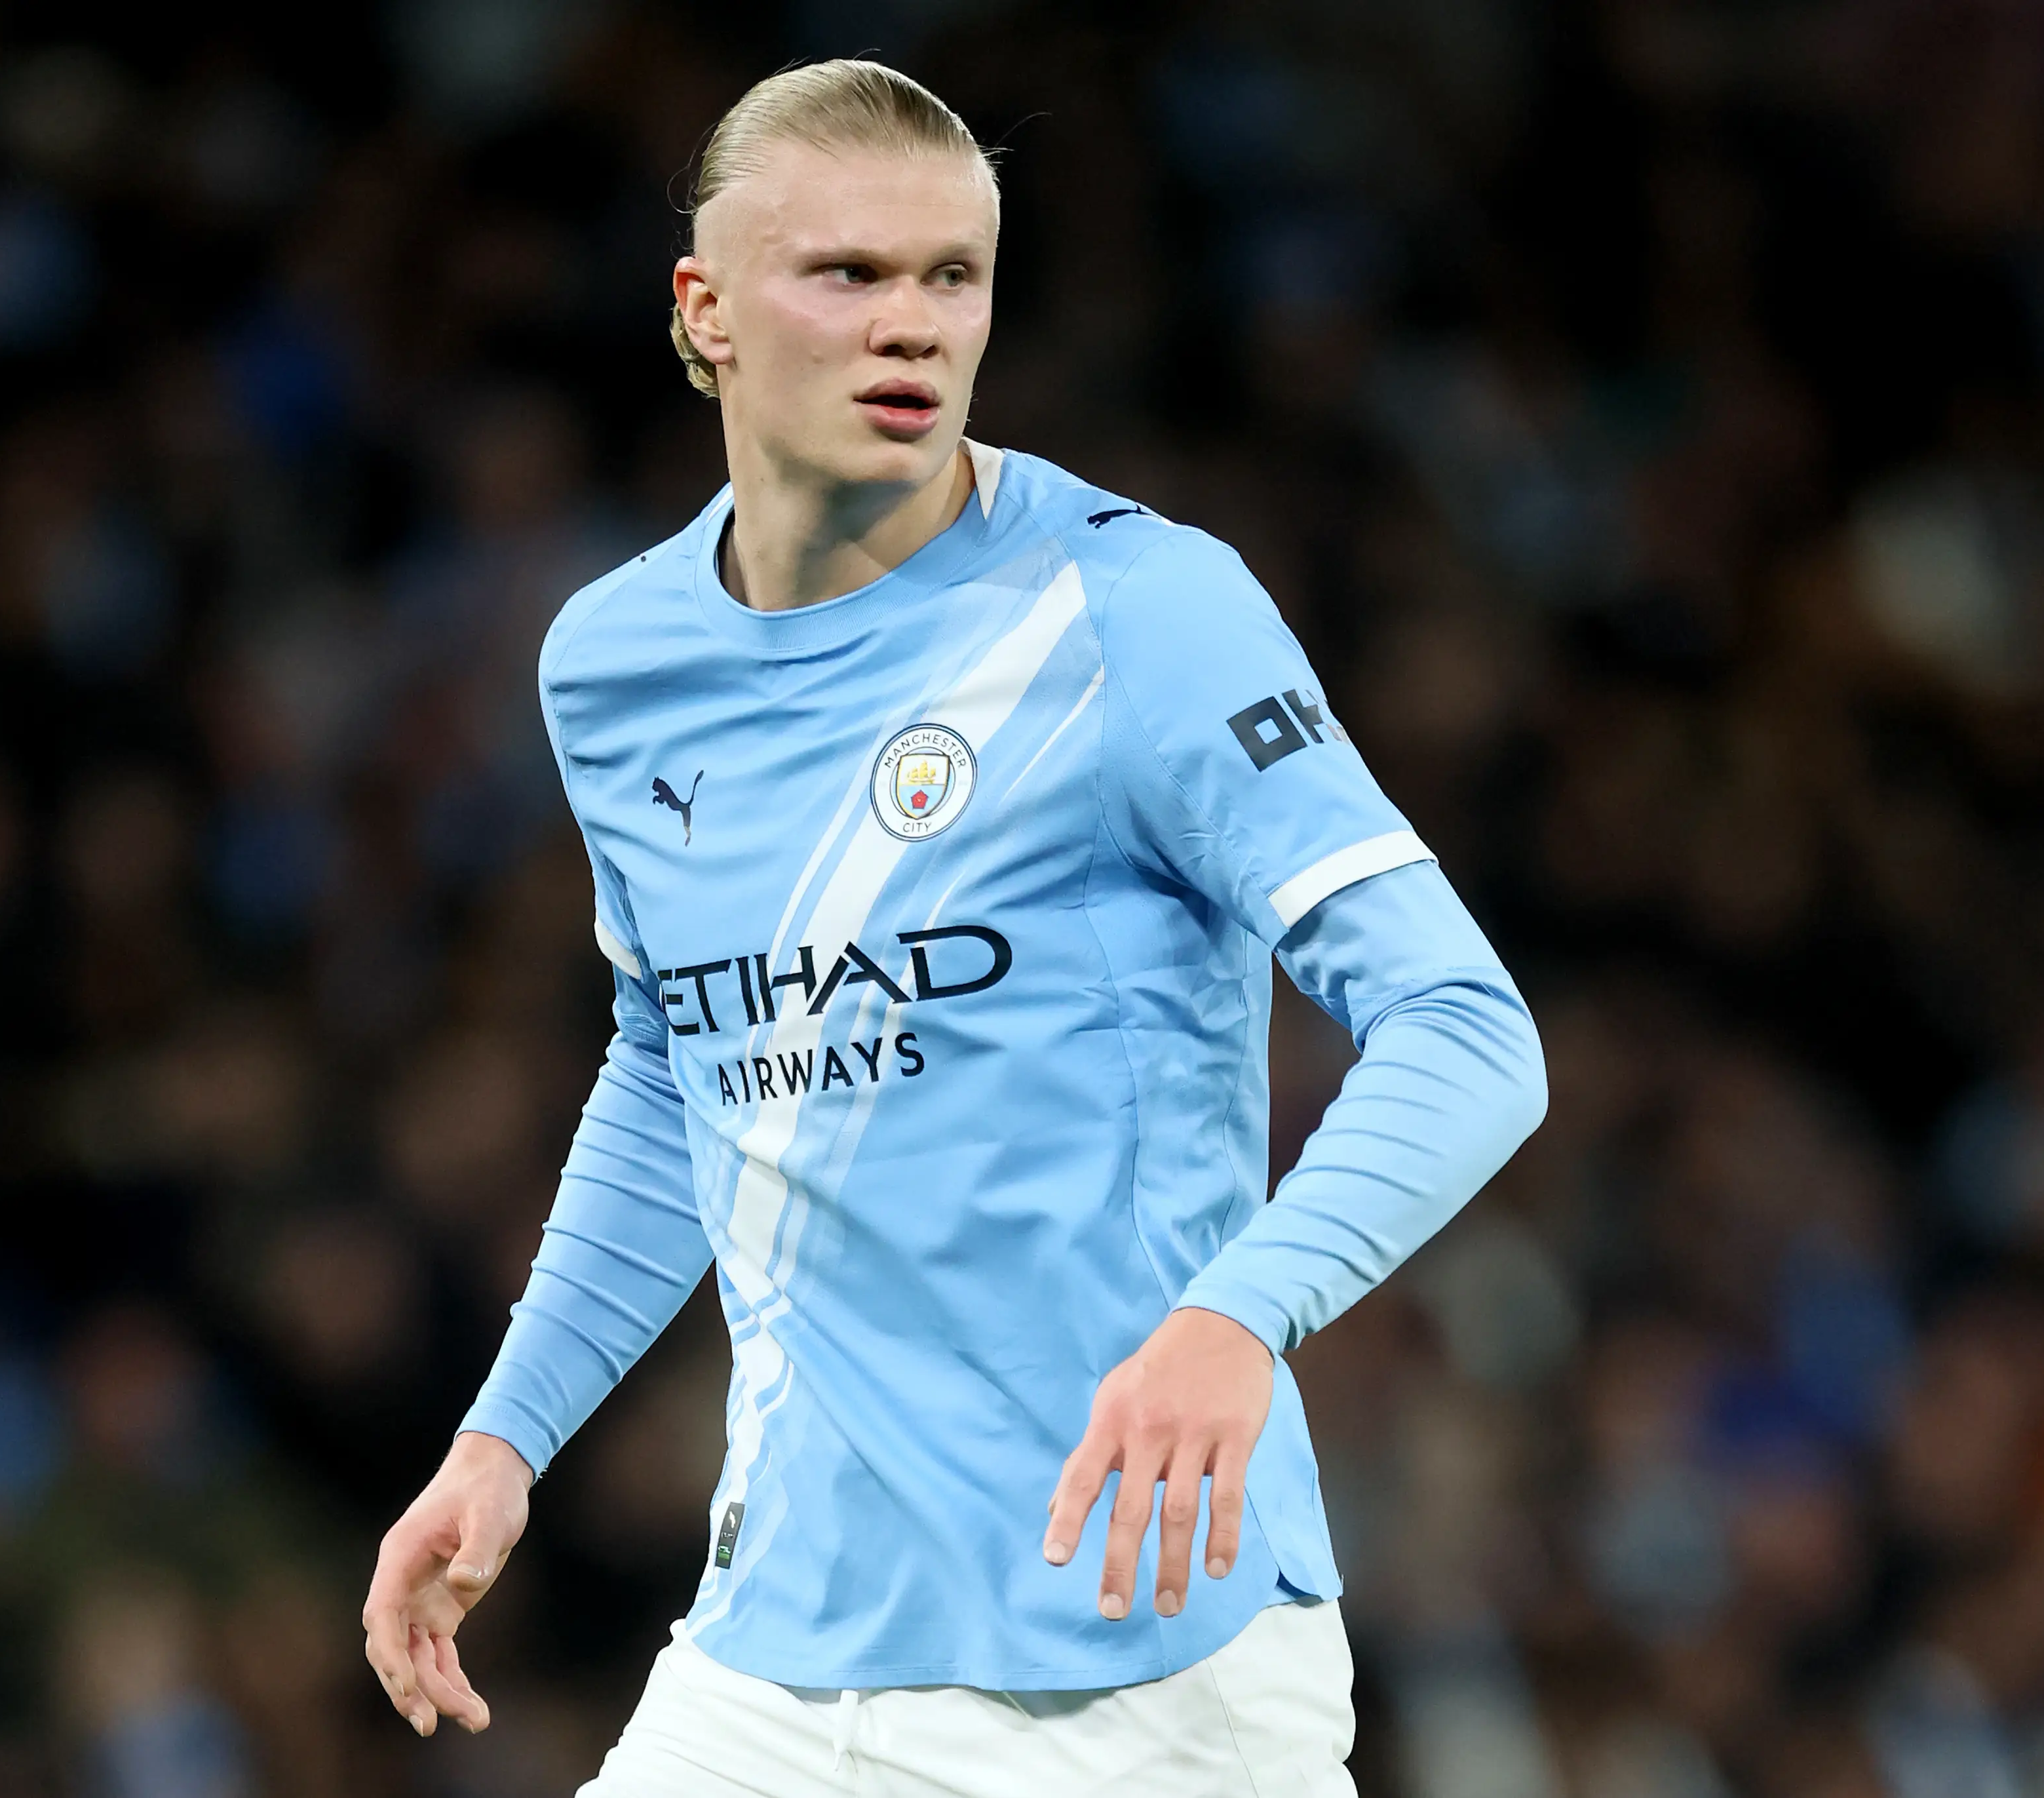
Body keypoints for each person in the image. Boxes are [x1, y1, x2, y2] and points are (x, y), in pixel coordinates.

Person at [361, 59, 1547, 1797]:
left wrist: (1242, 1315)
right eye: (846, 273)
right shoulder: (613, 666)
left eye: (951, 276)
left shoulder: (1136, 611)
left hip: (1140, 1663)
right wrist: (504, 1433)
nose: (909, 322)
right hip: (778, 1661)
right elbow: (688, 1061)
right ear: (705, 311)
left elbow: (1467, 1028)